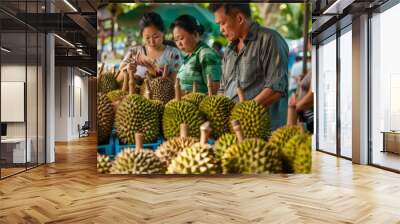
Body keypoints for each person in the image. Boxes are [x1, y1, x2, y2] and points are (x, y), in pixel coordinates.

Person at [210, 3, 289, 131]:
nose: (221, 29)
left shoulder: (269, 40)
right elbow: (223, 88)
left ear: (240, 19)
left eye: (223, 23)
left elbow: (275, 88)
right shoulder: (229, 51)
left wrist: (243, 112)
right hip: (234, 129)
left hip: (264, 132)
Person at [117, 12, 182, 81]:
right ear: (142, 35)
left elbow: (176, 82)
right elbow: (118, 79)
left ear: (163, 33)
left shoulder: (173, 54)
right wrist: (127, 69)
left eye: (156, 37)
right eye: (147, 38)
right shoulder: (134, 52)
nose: (152, 41)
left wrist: (153, 70)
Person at [171, 15, 221, 94]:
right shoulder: (188, 57)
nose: (179, 44)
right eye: (176, 40)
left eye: (181, 38)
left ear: (195, 34)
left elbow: (214, 89)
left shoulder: (205, 54)